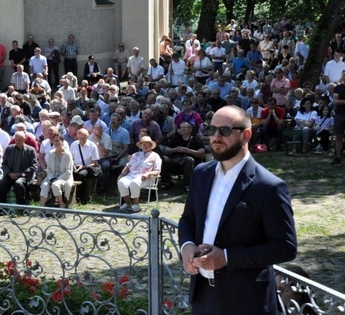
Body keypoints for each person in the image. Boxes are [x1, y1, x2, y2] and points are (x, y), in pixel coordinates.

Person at [178, 105, 297, 315]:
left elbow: (285, 246)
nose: (215, 136)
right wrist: (187, 245)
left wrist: (227, 257)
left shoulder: (269, 186)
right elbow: (188, 219)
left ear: (246, 135)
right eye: (211, 129)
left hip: (246, 301)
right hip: (203, 296)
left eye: (224, 131)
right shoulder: (201, 173)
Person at [117, 136, 161, 213]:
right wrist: (122, 174)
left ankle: (136, 204)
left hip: (147, 178)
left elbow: (157, 171)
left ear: (151, 146)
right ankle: (128, 203)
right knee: (121, 182)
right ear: (140, 146)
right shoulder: (135, 155)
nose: (145, 146)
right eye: (143, 144)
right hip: (131, 175)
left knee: (135, 182)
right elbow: (127, 167)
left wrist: (148, 173)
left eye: (148, 144)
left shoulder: (155, 156)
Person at [0, 131, 37, 204]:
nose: (17, 142)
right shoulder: (9, 149)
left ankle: (21, 206)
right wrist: (9, 173)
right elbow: (4, 164)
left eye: (19, 140)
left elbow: (33, 166)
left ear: (24, 139)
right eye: (16, 140)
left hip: (23, 176)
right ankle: (1, 207)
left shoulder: (31, 150)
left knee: (18, 184)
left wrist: (20, 174)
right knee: (1, 184)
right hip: (10, 175)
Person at [161, 122, 206, 192]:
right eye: (181, 128)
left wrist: (188, 151)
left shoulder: (196, 139)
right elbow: (167, 150)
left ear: (190, 129)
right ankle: (167, 181)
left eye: (185, 128)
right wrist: (175, 149)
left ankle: (187, 185)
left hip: (189, 163)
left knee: (188, 159)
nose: (182, 129)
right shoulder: (175, 138)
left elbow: (202, 153)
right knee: (163, 159)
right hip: (175, 160)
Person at [39, 131, 73, 208]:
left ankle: (61, 204)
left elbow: (68, 171)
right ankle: (41, 207)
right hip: (52, 176)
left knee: (55, 185)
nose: (56, 142)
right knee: (44, 185)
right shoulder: (51, 153)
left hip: (64, 177)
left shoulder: (67, 154)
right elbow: (49, 169)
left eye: (58, 140)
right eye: (54, 141)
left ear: (62, 141)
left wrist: (57, 179)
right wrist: (52, 178)